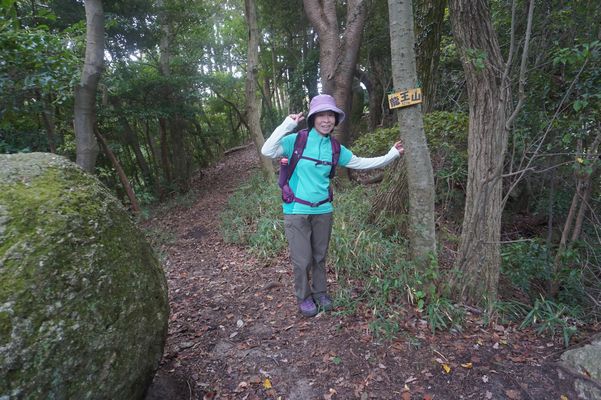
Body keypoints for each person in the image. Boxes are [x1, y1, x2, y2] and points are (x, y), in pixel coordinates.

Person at [261, 94, 404, 317]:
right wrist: (287, 124)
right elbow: (267, 150)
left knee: (319, 256)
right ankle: (304, 297)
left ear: (336, 119)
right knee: (302, 260)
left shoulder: (336, 149)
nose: (326, 120)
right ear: (313, 118)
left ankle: (320, 293)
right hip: (296, 210)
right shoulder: (296, 141)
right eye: (321, 115)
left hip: (323, 210)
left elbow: (361, 163)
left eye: (331, 116)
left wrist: (391, 155)